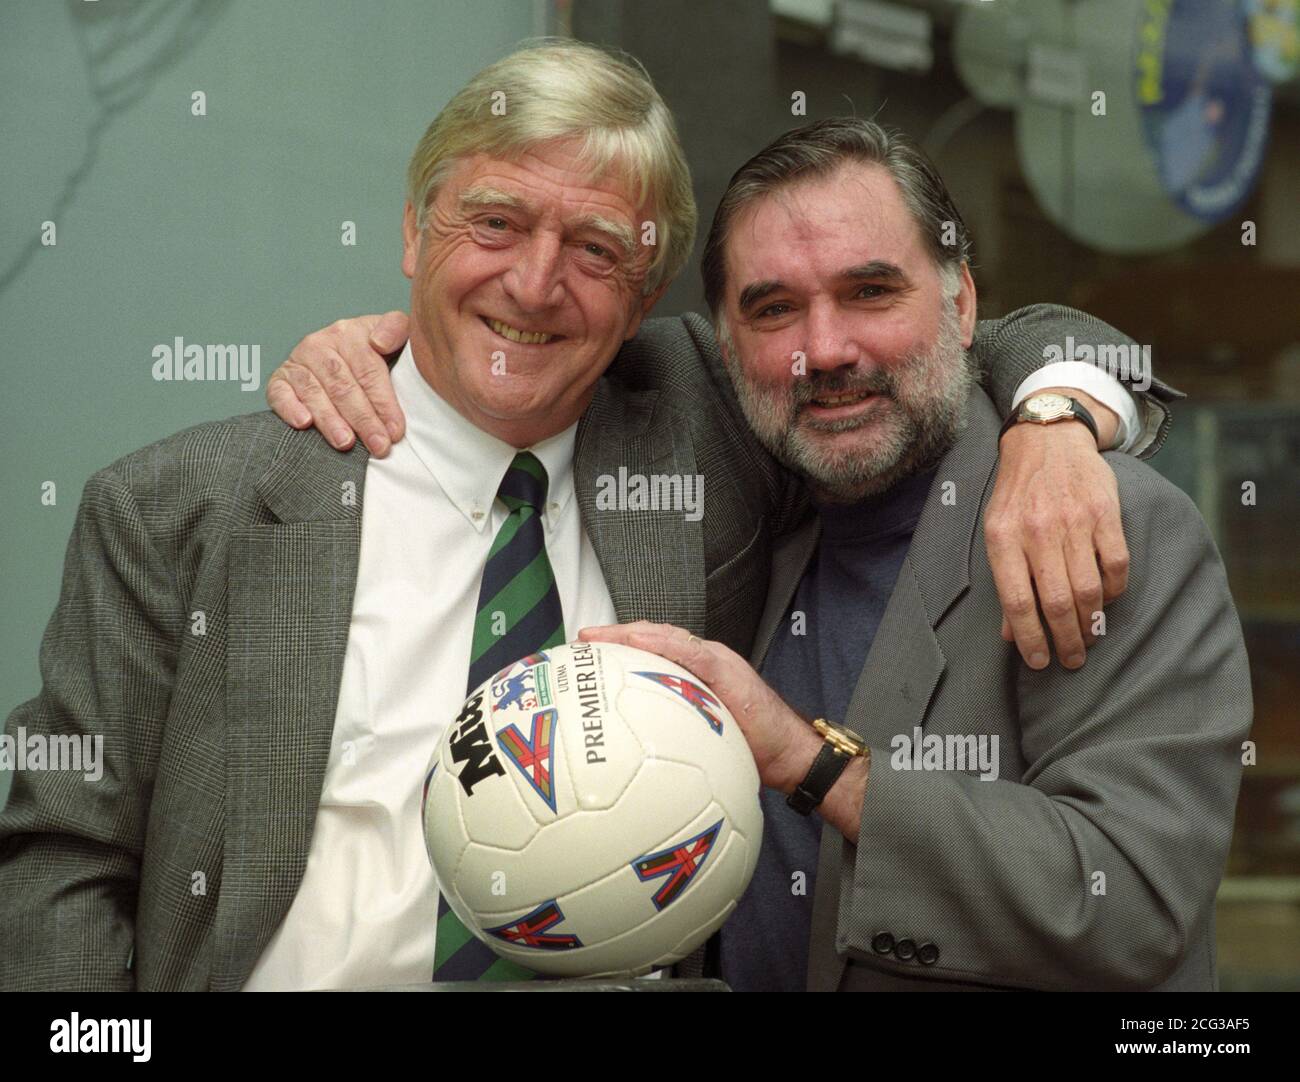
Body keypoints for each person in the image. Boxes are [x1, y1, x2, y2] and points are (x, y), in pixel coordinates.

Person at [1, 41, 1166, 992]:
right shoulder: (176, 506)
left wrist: (1058, 421)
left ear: (649, 292)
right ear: (413, 233)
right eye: (493, 224)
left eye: (595, 248)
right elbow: (60, 851)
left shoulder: (704, 423)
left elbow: (943, 334)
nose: (534, 283)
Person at [580, 118, 1253, 991]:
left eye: (870, 292)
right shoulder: (768, 514)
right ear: (725, 346)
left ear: (964, 304)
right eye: (774, 308)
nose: (825, 351)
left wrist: (813, 764)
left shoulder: (1090, 518)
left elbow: (1127, 899)